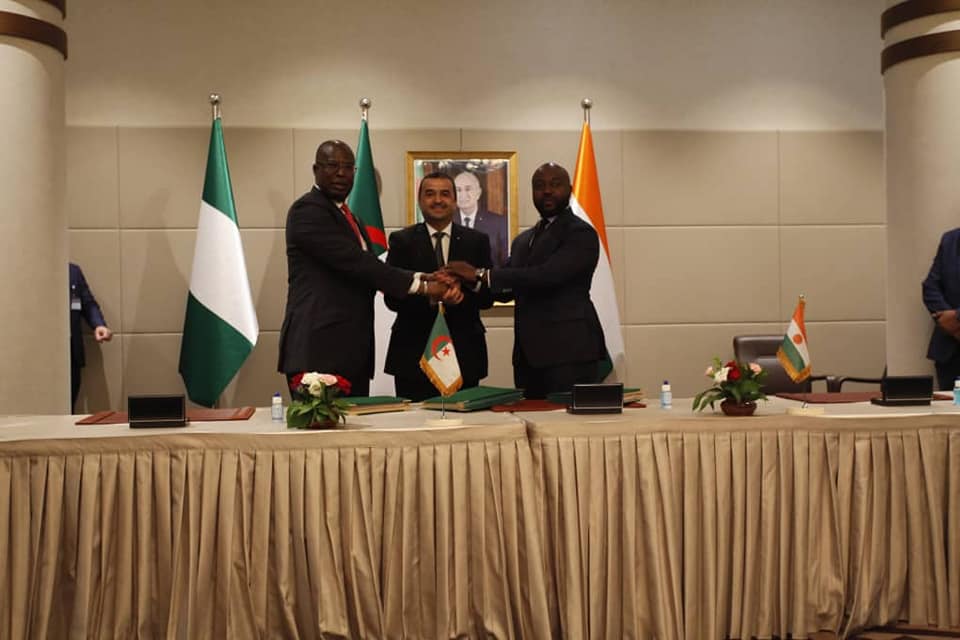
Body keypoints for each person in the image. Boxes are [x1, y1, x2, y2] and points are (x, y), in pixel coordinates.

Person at [278, 140, 460, 397]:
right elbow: (358, 263)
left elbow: (370, 267)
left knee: (355, 423)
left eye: (348, 167)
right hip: (319, 350)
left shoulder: (351, 218)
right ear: (316, 169)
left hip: (351, 353)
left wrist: (422, 276)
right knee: (321, 424)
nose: (341, 173)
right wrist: (423, 286)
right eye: (332, 165)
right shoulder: (307, 211)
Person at [445, 163, 606, 398]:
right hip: (528, 358)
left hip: (570, 353)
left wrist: (480, 274)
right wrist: (458, 285)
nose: (547, 191)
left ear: (570, 190)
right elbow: (507, 289)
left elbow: (548, 275)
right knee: (530, 419)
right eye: (539, 186)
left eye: (555, 184)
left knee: (566, 420)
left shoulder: (580, 233)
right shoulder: (524, 240)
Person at [384, 172, 494, 400]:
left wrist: (462, 295)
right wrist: (432, 296)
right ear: (420, 200)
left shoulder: (477, 241)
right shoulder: (402, 241)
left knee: (465, 421)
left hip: (465, 353)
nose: (437, 200)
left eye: (445, 194)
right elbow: (392, 299)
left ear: (454, 200)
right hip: (413, 355)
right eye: (430, 194)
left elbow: (487, 297)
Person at [70, 262, 113, 411]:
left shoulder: (73, 272)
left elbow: (87, 304)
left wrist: (98, 325)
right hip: (39, 358)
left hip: (71, 355)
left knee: (68, 408)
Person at [922, 227, 960, 390]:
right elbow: (930, 287)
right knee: (951, 405)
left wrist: (956, 318)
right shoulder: (950, 240)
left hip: (953, 331)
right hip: (950, 352)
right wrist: (949, 325)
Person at [454, 170, 509, 267]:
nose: (463, 195)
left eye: (468, 189)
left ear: (478, 193)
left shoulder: (499, 223)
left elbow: (506, 263)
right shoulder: (447, 222)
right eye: (458, 190)